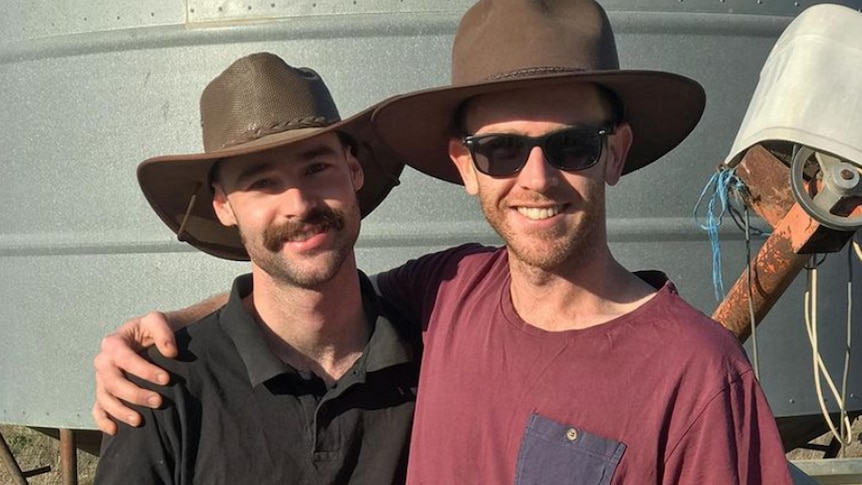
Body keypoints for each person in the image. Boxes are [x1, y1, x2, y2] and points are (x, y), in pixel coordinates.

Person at [93, 1, 794, 483]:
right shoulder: (448, 296)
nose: (537, 177)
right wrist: (172, 329)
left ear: (616, 153)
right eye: (501, 151)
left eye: (572, 145)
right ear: (464, 165)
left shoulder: (698, 377)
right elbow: (309, 283)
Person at [93, 52, 417, 485]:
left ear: (353, 171)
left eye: (317, 168)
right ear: (224, 205)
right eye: (263, 183)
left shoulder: (436, 353)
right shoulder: (163, 387)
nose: (299, 204)